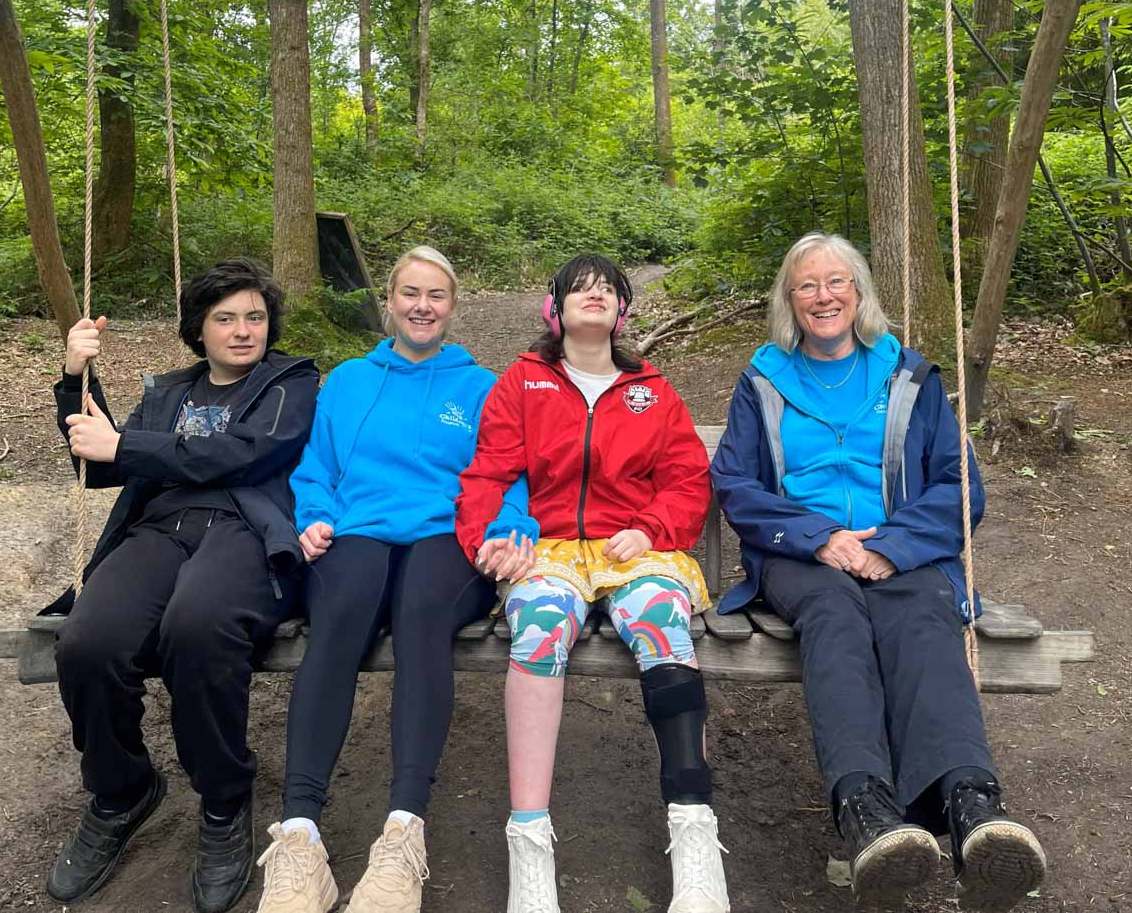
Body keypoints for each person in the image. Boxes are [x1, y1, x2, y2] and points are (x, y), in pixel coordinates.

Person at [709, 231, 1048, 910]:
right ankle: (867, 812)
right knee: (834, 617)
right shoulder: (764, 378)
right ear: (789, 298)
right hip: (801, 555)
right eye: (807, 284)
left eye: (836, 281)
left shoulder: (909, 377)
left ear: (859, 292)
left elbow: (960, 486)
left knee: (923, 613)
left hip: (899, 549)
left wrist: (891, 543)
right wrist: (819, 537)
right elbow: (736, 482)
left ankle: (972, 804)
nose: (823, 295)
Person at [255, 245, 532, 913]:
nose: (421, 306)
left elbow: (508, 473)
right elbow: (314, 467)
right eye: (409, 293)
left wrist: (507, 528)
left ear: (453, 305)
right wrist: (315, 516)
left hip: (448, 534)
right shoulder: (348, 381)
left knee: (420, 617)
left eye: (435, 295)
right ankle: (299, 836)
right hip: (358, 530)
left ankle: (403, 832)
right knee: (340, 616)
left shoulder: (482, 386)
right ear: (388, 301)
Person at [455, 253, 732, 913]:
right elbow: (489, 472)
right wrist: (489, 538)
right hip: (549, 547)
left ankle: (694, 833)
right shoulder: (522, 383)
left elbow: (687, 477)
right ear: (555, 309)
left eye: (608, 287)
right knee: (542, 624)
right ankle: (530, 843)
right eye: (580, 286)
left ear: (622, 311)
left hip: (630, 546)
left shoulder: (652, 390)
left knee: (661, 616)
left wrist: (654, 526)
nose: (595, 293)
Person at [44, 258, 319, 913]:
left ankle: (224, 800)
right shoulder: (169, 391)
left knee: (197, 628)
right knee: (88, 641)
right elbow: (103, 463)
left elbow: (248, 454)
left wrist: (127, 447)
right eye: (225, 317)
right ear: (199, 326)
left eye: (254, 315)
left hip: (245, 529)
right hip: (161, 529)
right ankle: (121, 789)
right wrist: (73, 377)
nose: (243, 329)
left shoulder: (294, 382)